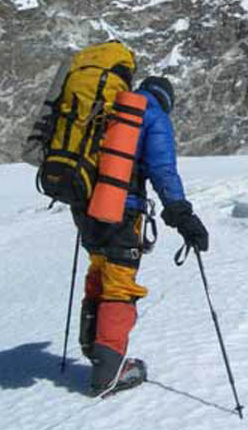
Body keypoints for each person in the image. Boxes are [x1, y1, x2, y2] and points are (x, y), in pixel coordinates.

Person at [71, 74, 209, 396]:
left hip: (85, 208)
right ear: (167, 100)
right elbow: (162, 170)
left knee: (98, 272)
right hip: (121, 211)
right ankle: (108, 374)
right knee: (119, 283)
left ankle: (94, 350)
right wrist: (182, 215)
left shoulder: (110, 104)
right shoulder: (154, 115)